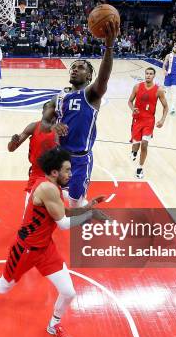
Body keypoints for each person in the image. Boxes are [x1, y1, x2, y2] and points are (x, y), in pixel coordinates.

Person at [0, 148, 107, 337]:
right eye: (67, 170)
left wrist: (86, 208)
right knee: (4, 286)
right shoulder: (47, 189)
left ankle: (54, 325)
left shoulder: (53, 187)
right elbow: (62, 224)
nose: (71, 174)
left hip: (45, 248)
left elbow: (61, 211)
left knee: (69, 292)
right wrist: (89, 216)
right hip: (25, 249)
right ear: (55, 172)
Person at [41, 20, 119, 208]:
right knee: (49, 199)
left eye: (81, 67)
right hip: (59, 156)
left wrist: (109, 46)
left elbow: (104, 76)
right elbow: (43, 123)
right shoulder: (58, 97)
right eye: (73, 66)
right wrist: (53, 126)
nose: (75, 69)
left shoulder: (92, 95)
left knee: (75, 204)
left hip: (81, 159)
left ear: (89, 76)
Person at [7, 102, 57, 210]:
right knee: (29, 209)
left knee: (51, 213)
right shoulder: (33, 127)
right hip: (36, 172)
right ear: (43, 112)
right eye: (48, 110)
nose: (50, 113)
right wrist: (13, 141)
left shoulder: (61, 130)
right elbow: (11, 148)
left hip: (54, 174)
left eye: (52, 110)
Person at [128, 67, 168, 179]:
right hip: (137, 119)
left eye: (151, 74)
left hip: (149, 121)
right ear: (144, 75)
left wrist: (162, 120)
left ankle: (140, 168)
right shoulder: (137, 87)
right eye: (147, 73)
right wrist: (132, 109)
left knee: (144, 144)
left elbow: (166, 107)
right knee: (136, 145)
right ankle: (134, 151)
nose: (148, 75)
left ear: (154, 76)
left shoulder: (159, 90)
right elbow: (130, 101)